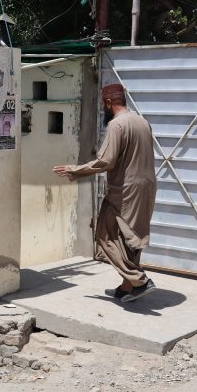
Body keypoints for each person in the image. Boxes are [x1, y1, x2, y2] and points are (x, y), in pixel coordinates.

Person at [53, 84, 158, 302]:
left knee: (104, 233)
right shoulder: (142, 122)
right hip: (146, 187)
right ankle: (128, 287)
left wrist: (75, 169)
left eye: (104, 105)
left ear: (109, 103)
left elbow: (106, 161)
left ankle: (140, 280)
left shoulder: (117, 125)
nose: (104, 109)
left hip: (125, 190)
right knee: (132, 238)